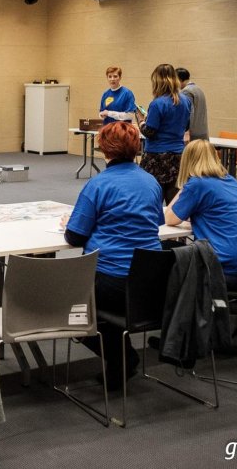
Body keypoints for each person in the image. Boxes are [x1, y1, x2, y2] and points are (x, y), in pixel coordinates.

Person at [63, 121, 163, 389]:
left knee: (66, 308)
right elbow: (158, 221)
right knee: (109, 310)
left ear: (105, 150)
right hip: (151, 282)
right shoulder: (152, 183)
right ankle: (121, 361)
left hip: (111, 280)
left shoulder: (99, 185)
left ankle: (123, 358)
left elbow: (74, 236)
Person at [164, 140, 237, 291]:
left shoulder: (198, 184)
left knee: (164, 249)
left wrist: (186, 184)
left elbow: (170, 218)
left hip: (222, 270)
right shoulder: (231, 181)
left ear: (188, 161)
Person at [139, 64, 191, 204]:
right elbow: (187, 125)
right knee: (174, 203)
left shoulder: (157, 103)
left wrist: (141, 123)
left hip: (156, 158)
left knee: (151, 202)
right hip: (178, 157)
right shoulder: (186, 101)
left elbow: (149, 132)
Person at [176, 67, 208, 141]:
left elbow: (188, 113)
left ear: (179, 79)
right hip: (203, 131)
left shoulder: (186, 91)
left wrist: (185, 133)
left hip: (193, 134)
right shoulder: (198, 89)